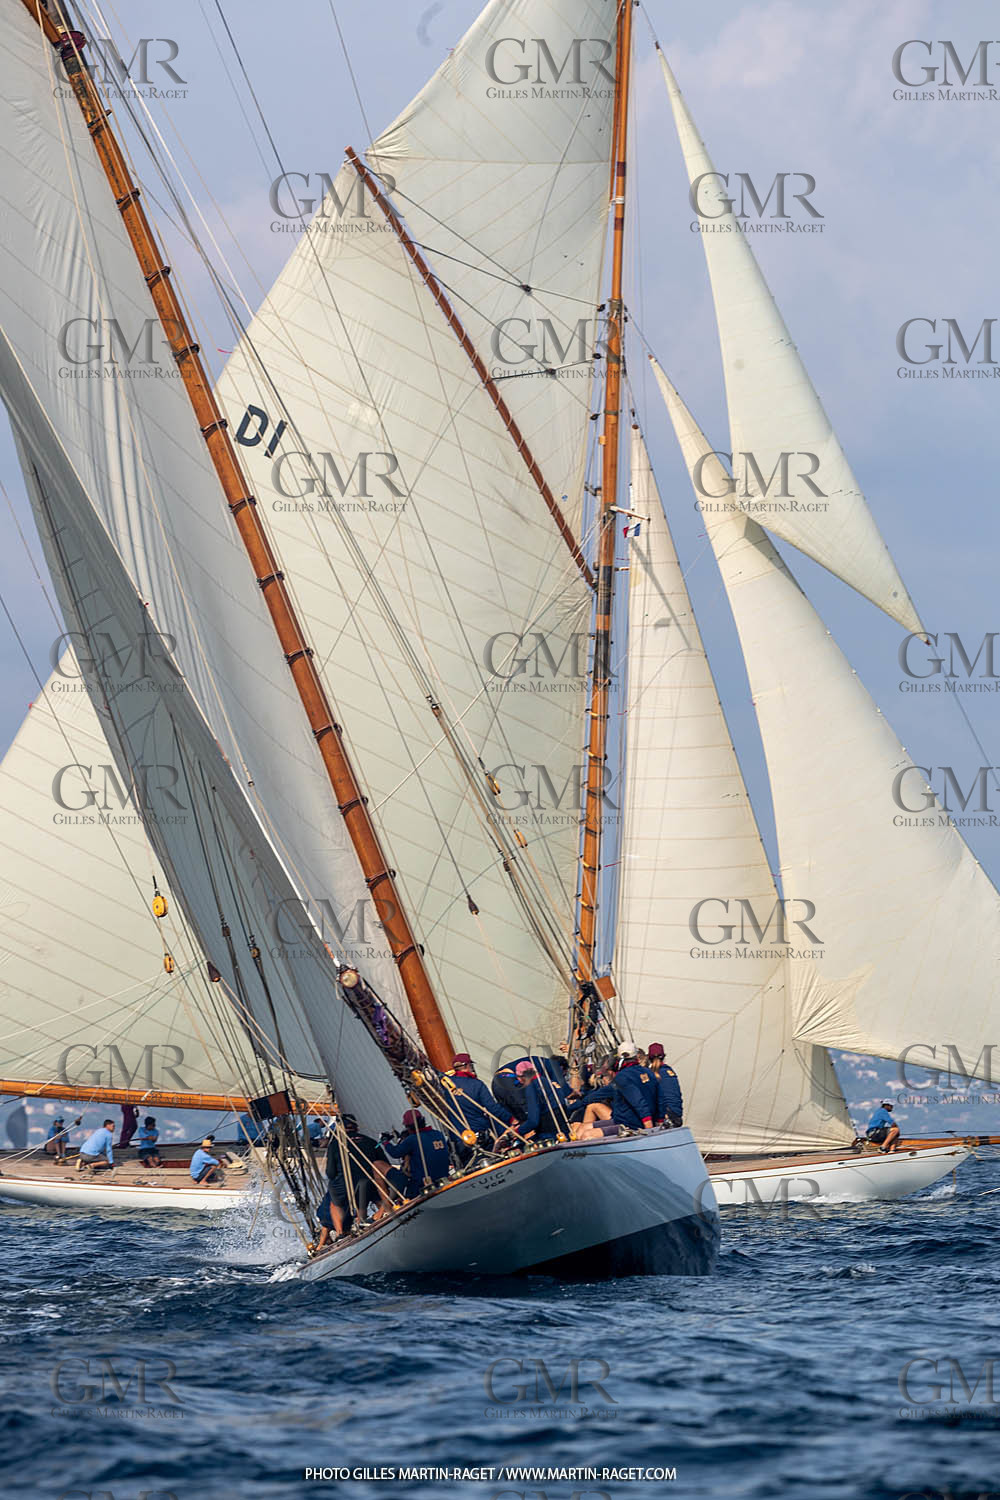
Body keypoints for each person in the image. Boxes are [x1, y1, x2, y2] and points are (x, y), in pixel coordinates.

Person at [324, 1114, 390, 1239]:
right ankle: (385, 1215)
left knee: (334, 1203)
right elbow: (384, 1164)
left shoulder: (335, 1145)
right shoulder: (371, 1142)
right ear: (356, 1126)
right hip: (370, 1185)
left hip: (348, 1188)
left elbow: (330, 1172)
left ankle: (340, 1233)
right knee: (376, 1196)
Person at [383, 1110, 450, 1199]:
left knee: (406, 1196)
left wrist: (385, 1142)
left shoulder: (413, 1139)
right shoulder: (438, 1134)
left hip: (424, 1183)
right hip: (444, 1178)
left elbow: (395, 1153)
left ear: (409, 1127)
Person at [440, 1053, 500, 1145]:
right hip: (479, 1136)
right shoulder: (477, 1084)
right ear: (468, 1066)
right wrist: (511, 1118)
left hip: (458, 1138)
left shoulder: (444, 1083)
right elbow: (492, 1108)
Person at [610, 1051, 660, 1132]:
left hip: (629, 1125)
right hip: (649, 1120)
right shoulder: (649, 1072)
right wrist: (660, 1120)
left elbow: (638, 1101)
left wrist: (649, 1127)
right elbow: (660, 1098)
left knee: (587, 1133)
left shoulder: (622, 1076)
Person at [491, 1060, 527, 1127]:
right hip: (507, 1077)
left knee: (509, 1108)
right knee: (523, 1107)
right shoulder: (549, 1067)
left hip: (498, 1079)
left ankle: (517, 1124)